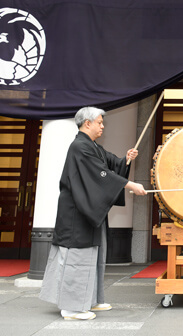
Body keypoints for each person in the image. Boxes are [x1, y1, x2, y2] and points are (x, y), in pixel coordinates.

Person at [39, 107, 147, 320]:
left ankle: (89, 300)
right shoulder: (79, 147)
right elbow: (102, 175)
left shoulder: (91, 147)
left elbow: (109, 165)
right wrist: (129, 184)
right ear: (87, 123)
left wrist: (125, 159)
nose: (102, 126)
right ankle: (71, 307)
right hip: (76, 214)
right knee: (76, 258)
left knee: (93, 258)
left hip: (86, 210)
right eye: (99, 122)